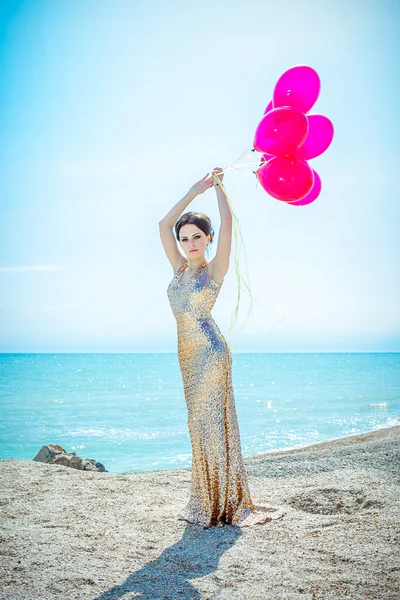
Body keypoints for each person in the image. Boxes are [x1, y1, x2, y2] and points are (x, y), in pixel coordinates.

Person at [158, 168, 286, 528]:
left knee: (213, 423)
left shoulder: (214, 269)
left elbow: (228, 222)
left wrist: (218, 189)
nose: (190, 243)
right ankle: (207, 498)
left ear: (208, 237)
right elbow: (162, 225)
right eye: (184, 238)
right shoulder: (177, 269)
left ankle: (224, 503)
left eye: (197, 236)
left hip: (211, 354)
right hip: (186, 355)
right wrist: (192, 190)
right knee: (198, 425)